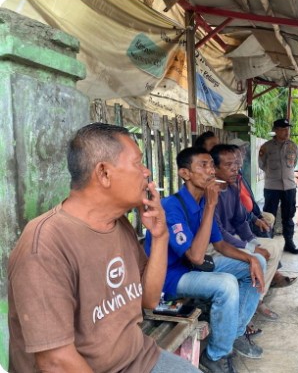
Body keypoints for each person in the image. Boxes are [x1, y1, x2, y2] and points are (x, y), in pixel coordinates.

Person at [8, 123, 199, 373]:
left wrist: (161, 235)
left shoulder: (119, 224)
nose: (146, 172)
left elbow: (149, 299)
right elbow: (55, 362)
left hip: (140, 359)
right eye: (138, 163)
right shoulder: (45, 244)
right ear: (104, 173)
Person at [144, 146, 266, 373]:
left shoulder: (202, 202)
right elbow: (196, 256)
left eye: (212, 165)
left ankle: (234, 334)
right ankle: (216, 355)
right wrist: (211, 205)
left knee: (258, 262)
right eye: (203, 165)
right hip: (169, 279)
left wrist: (252, 259)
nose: (211, 171)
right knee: (226, 285)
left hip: (192, 269)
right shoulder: (172, 206)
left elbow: (220, 245)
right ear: (184, 173)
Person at [210, 144, 283, 320]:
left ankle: (257, 299)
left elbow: (240, 221)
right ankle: (248, 307)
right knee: (257, 259)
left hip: (231, 239)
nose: (235, 168)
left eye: (236, 163)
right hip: (215, 244)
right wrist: (250, 248)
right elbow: (218, 233)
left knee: (275, 245)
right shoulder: (210, 193)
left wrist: (253, 243)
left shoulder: (232, 189)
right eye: (228, 165)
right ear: (214, 168)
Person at [258, 118, 298, 254]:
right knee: (269, 215)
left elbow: (294, 164)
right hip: (272, 186)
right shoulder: (266, 147)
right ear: (275, 130)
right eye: (282, 129)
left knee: (288, 216)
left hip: (289, 186)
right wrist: (273, 174)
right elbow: (262, 164)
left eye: (287, 129)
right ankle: (267, 242)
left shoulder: (293, 146)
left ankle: (289, 243)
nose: (286, 131)